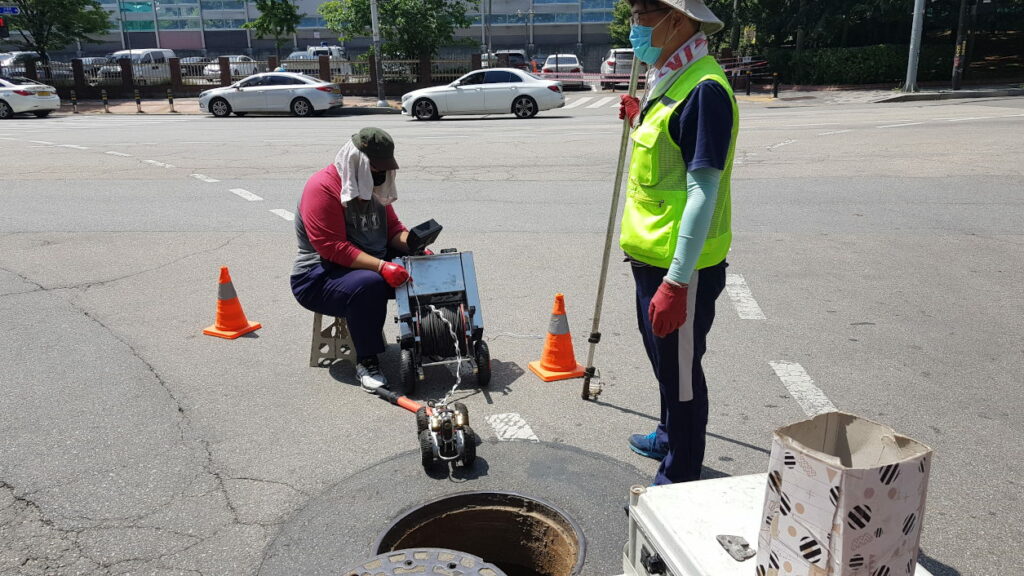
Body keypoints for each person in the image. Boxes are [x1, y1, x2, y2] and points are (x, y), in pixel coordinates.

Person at [616, 0, 739, 485]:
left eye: (644, 14)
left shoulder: (704, 89)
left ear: (678, 19)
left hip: (679, 269)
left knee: (682, 377)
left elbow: (702, 190)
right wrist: (638, 119)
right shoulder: (670, 78)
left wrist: (677, 282)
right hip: (651, 257)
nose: (635, 26)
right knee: (666, 364)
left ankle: (680, 473)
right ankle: (669, 436)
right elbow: (666, 158)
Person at [291, 127, 413, 392]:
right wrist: (382, 266)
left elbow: (393, 230)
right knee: (369, 284)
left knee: (419, 265)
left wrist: (413, 244)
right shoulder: (322, 187)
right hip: (318, 275)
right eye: (375, 168)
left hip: (364, 263)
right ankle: (366, 361)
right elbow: (331, 247)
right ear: (357, 162)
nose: (380, 175)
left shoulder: (375, 187)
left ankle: (426, 341)